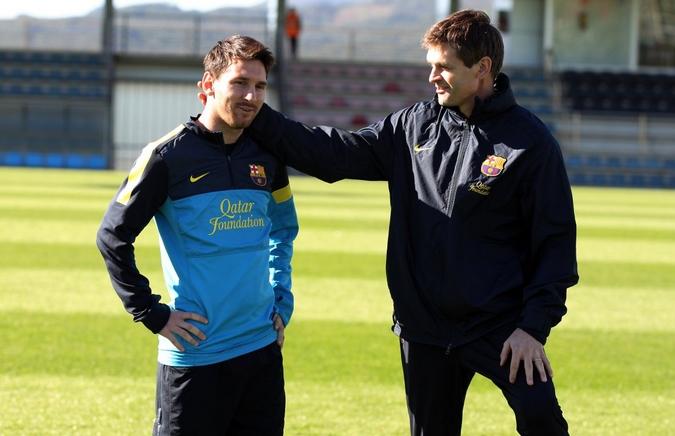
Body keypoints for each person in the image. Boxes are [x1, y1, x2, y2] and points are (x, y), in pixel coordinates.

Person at [243, 10, 578, 436]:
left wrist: (532, 328)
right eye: (431, 66)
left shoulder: (530, 143)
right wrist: (260, 116)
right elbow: (336, 154)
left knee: (542, 419)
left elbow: (554, 244)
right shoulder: (412, 126)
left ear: (482, 68)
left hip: (500, 324)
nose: (432, 77)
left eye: (444, 67)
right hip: (424, 328)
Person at [97, 35, 298, 436]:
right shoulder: (165, 156)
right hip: (195, 356)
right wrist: (151, 312)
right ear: (207, 85)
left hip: (260, 350)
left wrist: (282, 297)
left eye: (260, 86)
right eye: (240, 83)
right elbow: (112, 237)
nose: (252, 96)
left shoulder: (267, 157)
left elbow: (283, 228)